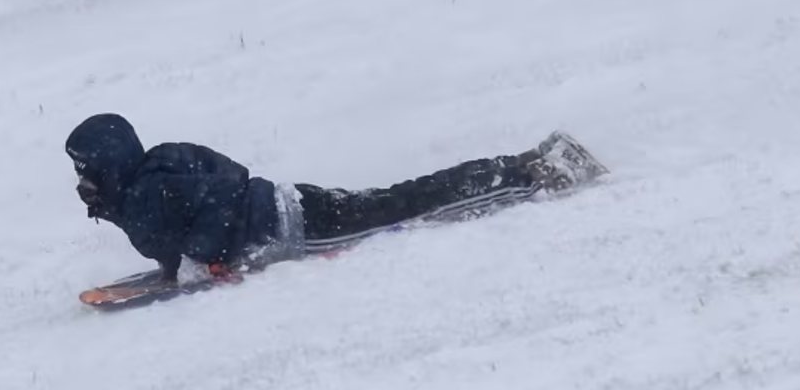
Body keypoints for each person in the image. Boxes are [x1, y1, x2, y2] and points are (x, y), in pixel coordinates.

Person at [65, 113, 607, 281]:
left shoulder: (146, 192)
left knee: (415, 207)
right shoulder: (157, 164)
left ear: (108, 164)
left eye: (85, 169)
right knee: (401, 197)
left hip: (296, 227)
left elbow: (211, 206)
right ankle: (530, 164)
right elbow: (228, 176)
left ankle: (534, 173)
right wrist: (182, 260)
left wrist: (211, 254)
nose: (81, 180)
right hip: (287, 199)